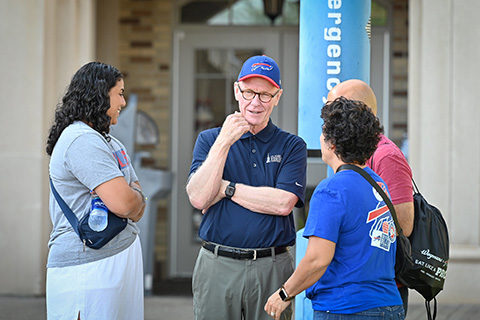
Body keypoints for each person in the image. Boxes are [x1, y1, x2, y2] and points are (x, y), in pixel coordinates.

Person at [186, 55, 307, 320]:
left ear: (277, 97)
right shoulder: (209, 140)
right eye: (249, 92)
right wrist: (223, 142)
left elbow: (283, 203)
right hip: (217, 264)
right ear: (236, 90)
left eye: (265, 95)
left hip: (272, 267)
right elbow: (198, 196)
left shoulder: (291, 146)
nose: (255, 102)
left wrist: (226, 188)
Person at [265, 97, 405, 320]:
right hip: (389, 305)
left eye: (323, 132)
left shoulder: (331, 190)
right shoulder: (379, 184)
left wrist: (284, 294)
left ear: (332, 143)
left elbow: (317, 259)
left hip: (346, 308)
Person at [45, 62, 147, 320]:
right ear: (100, 95)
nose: (123, 102)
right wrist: (132, 198)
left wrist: (132, 198)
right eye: (120, 93)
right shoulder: (82, 140)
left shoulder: (110, 141)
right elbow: (127, 205)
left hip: (113, 262)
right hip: (88, 269)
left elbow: (136, 203)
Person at [327, 79, 414, 313]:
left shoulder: (385, 155)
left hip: (378, 296)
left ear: (356, 112)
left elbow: (404, 225)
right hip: (353, 291)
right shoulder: (352, 152)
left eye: (334, 110)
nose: (327, 120)